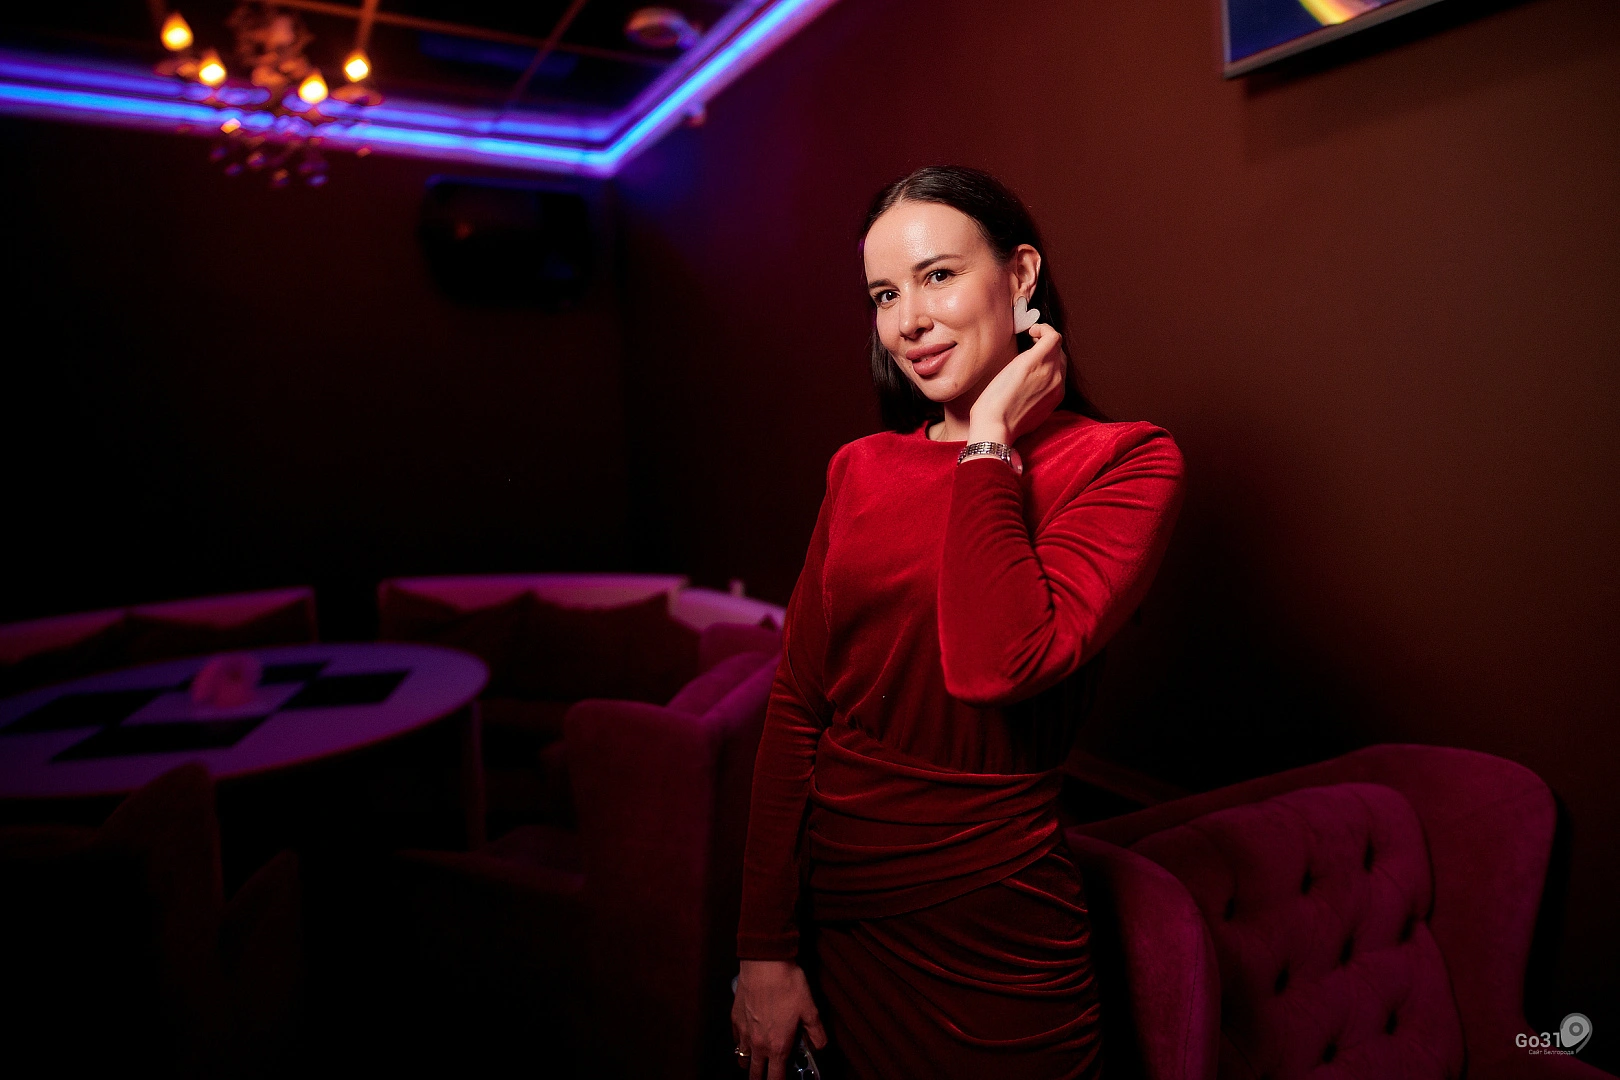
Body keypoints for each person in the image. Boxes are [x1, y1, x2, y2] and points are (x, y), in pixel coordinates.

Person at [730, 165, 1187, 1079]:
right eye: (884, 295)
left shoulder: (1125, 462)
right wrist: (764, 950)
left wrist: (989, 438)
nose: (908, 320)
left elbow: (998, 663)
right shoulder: (859, 469)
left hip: (999, 938)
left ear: (1020, 276)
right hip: (838, 915)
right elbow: (798, 706)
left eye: (937, 275)